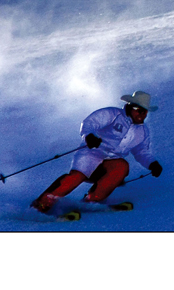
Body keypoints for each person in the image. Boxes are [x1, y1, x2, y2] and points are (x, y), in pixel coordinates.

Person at [31, 91, 163, 214]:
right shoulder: (112, 114)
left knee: (122, 166)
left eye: (145, 112)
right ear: (130, 107)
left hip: (111, 162)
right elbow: (89, 123)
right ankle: (42, 203)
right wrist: (89, 136)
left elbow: (141, 151)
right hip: (91, 154)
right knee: (76, 177)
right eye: (139, 110)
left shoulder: (142, 131)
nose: (142, 115)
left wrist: (152, 164)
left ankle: (92, 199)